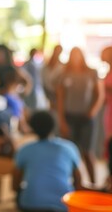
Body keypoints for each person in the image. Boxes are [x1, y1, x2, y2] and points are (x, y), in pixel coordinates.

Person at [13, 110, 84, 212]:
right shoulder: (69, 147)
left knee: (21, 194)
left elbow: (15, 184)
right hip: (64, 205)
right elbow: (78, 182)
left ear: (32, 128)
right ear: (54, 125)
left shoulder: (25, 149)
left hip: (31, 205)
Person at [56, 47, 104, 186]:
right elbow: (60, 98)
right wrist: (62, 120)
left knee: (87, 152)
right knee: (70, 151)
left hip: (86, 118)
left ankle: (94, 183)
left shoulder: (91, 73)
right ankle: (74, 183)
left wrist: (92, 111)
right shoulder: (65, 74)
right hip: (69, 116)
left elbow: (99, 95)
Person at [41, 44, 64, 110]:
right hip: (48, 92)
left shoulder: (61, 67)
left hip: (57, 94)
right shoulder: (46, 66)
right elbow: (44, 81)